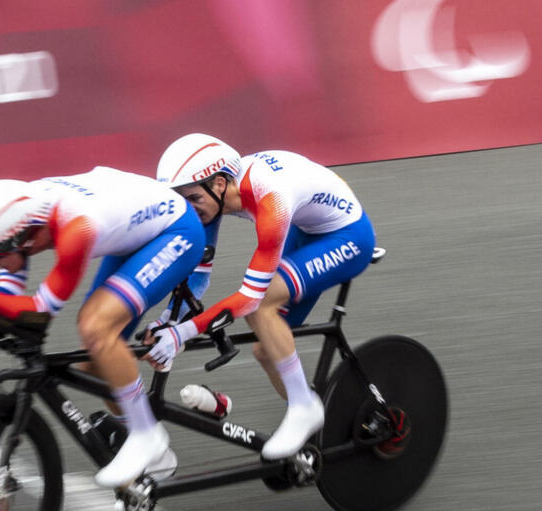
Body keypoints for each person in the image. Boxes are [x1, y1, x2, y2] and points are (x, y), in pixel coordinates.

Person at [0, 167, 206, 488]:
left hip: (176, 231)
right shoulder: (27, 213)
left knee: (95, 326)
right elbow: (8, 295)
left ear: (24, 238)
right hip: (134, 229)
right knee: (96, 368)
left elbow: (41, 312)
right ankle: (156, 459)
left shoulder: (77, 229)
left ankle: (146, 434)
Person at [150, 133, 376, 460]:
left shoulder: (271, 199)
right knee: (266, 350)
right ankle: (316, 422)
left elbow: (250, 299)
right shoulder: (211, 196)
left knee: (261, 309)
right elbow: (198, 276)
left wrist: (182, 333)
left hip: (348, 237)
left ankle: (304, 407)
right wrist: (167, 320)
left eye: (193, 198)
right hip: (307, 229)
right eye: (182, 200)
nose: (189, 209)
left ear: (219, 184)